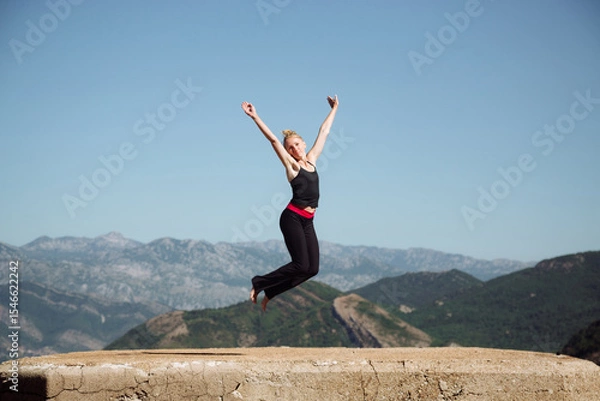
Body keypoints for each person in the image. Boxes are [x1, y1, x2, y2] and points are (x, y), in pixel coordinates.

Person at [240, 95, 339, 311]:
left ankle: (271, 292)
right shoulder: (292, 167)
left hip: (308, 221)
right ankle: (259, 282)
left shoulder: (312, 159)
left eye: (296, 145)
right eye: (290, 148)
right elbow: (274, 140)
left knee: (311, 269)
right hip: (292, 218)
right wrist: (255, 117)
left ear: (303, 143)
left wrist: (334, 109)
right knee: (300, 264)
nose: (294, 150)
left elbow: (324, 132)